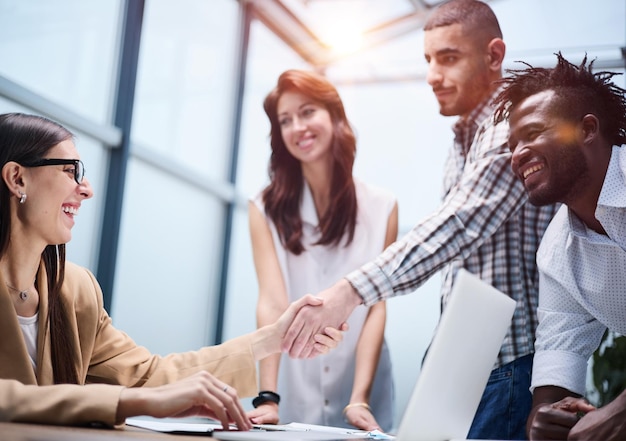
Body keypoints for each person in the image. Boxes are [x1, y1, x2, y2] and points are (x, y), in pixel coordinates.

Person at [281, 1, 558, 439]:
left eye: (448, 58)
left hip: (510, 366)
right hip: (473, 364)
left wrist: (348, 291)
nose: (432, 75)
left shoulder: (513, 122)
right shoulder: (464, 137)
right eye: (428, 60)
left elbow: (458, 226)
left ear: (494, 55)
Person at [0, 112, 343, 430]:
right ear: (17, 178)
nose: (86, 189)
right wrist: (134, 400)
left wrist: (274, 338)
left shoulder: (75, 289)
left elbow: (150, 377)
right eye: (69, 171)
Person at [246, 69, 397, 431]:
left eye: (308, 111)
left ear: (335, 117)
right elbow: (271, 303)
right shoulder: (263, 207)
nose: (298, 126)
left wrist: (359, 397)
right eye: (285, 120)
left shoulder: (382, 206)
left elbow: (376, 307)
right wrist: (267, 396)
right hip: (295, 383)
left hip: (361, 385)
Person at [492, 53, 626, 441]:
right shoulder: (557, 250)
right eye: (513, 144)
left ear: (586, 129)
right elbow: (559, 358)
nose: (516, 155)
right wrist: (544, 418)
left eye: (533, 134)